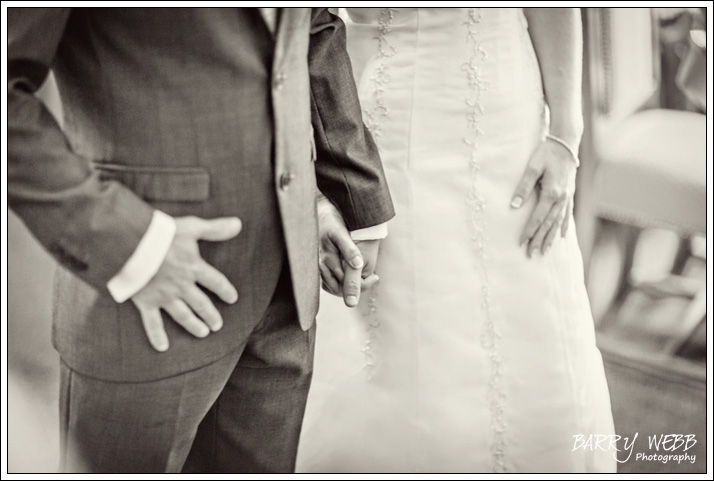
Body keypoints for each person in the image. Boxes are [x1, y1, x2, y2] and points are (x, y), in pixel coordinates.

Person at [8, 8, 393, 473]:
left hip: (287, 283)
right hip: (149, 301)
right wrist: (132, 245)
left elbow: (311, 25)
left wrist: (336, 195)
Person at [297, 8, 616, 473]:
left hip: (506, 121)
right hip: (373, 120)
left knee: (526, 316)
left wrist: (566, 135)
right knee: (393, 331)